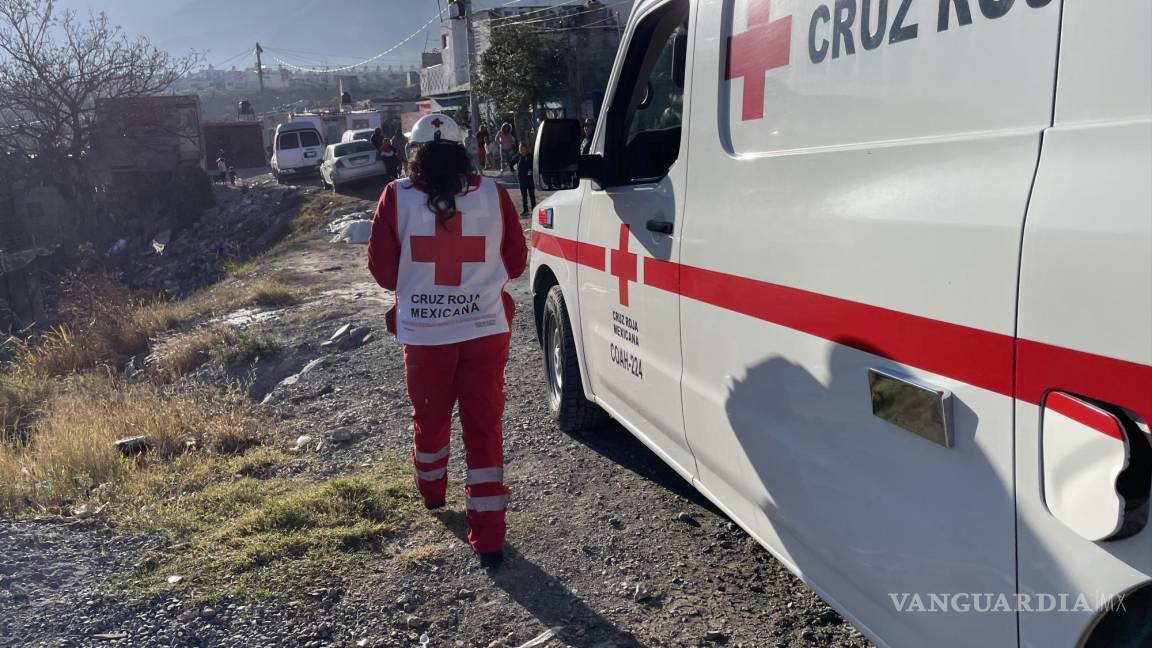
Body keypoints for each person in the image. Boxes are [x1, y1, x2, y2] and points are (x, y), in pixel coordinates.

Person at [367, 113, 527, 569]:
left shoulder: (394, 197)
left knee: (431, 419)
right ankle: (490, 538)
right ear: (464, 150)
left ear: (412, 154)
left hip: (424, 336)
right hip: (485, 330)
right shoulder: (495, 194)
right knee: (484, 427)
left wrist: (423, 287)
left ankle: (433, 493)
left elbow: (382, 271)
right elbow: (515, 264)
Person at [511, 143, 535, 215]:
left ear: (526, 149)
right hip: (521, 179)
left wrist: (532, 170)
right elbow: (510, 163)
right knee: (524, 195)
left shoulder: (530, 156)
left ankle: (534, 208)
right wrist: (513, 171)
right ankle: (525, 209)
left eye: (523, 149)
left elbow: (534, 164)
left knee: (531, 194)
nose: (522, 151)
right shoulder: (517, 157)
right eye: (520, 149)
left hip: (530, 179)